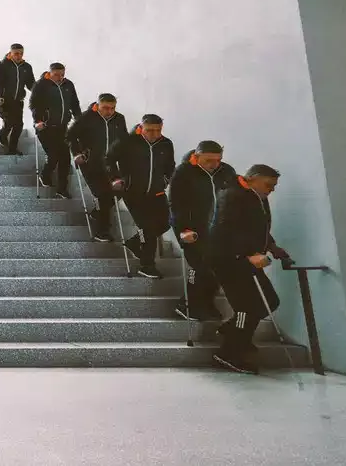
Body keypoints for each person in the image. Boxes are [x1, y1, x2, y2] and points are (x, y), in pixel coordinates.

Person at [209, 164, 292, 374]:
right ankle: (228, 353)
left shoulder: (256, 196)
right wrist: (247, 254)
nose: (272, 189)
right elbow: (226, 229)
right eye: (269, 184)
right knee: (246, 308)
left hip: (247, 259)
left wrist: (272, 247)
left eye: (274, 186)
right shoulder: (232, 195)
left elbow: (258, 227)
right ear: (253, 179)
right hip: (230, 260)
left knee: (270, 301)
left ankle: (233, 332)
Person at [167, 140, 238, 321]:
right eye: (209, 161)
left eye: (218, 160)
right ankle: (187, 304)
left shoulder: (227, 171)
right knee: (199, 268)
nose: (214, 165)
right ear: (197, 157)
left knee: (216, 269)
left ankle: (207, 303)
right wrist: (183, 230)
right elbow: (176, 204)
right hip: (193, 230)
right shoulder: (184, 173)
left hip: (220, 232)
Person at [105, 115, 176, 278]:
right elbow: (108, 158)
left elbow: (170, 166)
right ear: (141, 128)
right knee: (148, 228)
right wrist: (115, 178)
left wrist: (165, 180)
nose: (154, 134)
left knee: (167, 223)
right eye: (150, 130)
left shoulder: (165, 144)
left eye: (158, 130)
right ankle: (147, 265)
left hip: (157, 192)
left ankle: (134, 244)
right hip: (133, 192)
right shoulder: (128, 142)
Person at [68, 94, 130, 242]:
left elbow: (124, 140)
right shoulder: (87, 117)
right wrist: (77, 153)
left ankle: (97, 212)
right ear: (98, 105)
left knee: (121, 190)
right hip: (90, 162)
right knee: (103, 195)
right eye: (106, 108)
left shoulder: (119, 119)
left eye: (112, 108)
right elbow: (70, 135)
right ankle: (101, 231)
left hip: (111, 164)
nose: (109, 111)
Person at [28, 63, 81, 199]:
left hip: (62, 127)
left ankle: (62, 189)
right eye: (56, 75)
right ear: (50, 73)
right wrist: (38, 121)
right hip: (45, 127)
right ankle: (45, 175)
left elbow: (74, 103)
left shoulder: (68, 85)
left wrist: (79, 120)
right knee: (53, 156)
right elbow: (34, 104)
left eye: (62, 74)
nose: (60, 77)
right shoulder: (41, 85)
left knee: (65, 158)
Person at [0, 44, 34, 154]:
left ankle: (12, 149)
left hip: (18, 100)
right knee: (9, 122)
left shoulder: (27, 67)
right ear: (10, 53)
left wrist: (39, 91)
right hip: (4, 100)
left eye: (21, 53)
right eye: (16, 53)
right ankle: (3, 136)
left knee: (19, 125)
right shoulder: (3, 65)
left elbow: (31, 84)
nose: (19, 56)